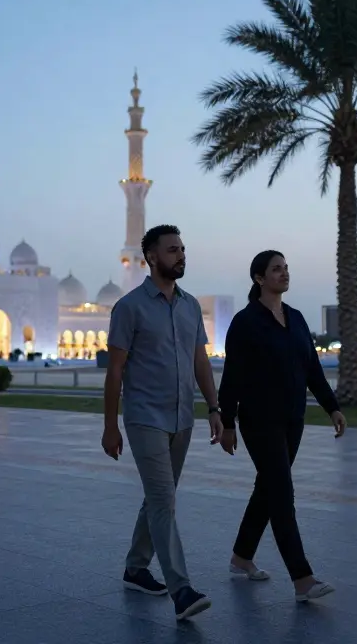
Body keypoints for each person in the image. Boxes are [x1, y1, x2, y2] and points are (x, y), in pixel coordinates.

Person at [103, 224, 222, 621]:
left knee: (160, 497)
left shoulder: (189, 306)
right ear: (151, 257)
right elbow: (115, 371)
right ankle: (182, 590)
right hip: (144, 418)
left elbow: (199, 361)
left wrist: (215, 409)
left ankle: (136, 567)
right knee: (162, 501)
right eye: (172, 250)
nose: (181, 255)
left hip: (182, 417)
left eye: (183, 249)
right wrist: (110, 426)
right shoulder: (130, 307)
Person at [217, 250, 347, 603]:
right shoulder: (246, 322)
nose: (284, 273)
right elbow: (232, 378)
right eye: (276, 269)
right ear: (259, 278)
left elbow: (312, 369)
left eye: (286, 268)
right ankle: (303, 579)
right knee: (281, 494)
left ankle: (241, 557)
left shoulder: (297, 318)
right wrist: (227, 423)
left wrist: (332, 407)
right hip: (259, 421)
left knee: (268, 490)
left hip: (293, 420)